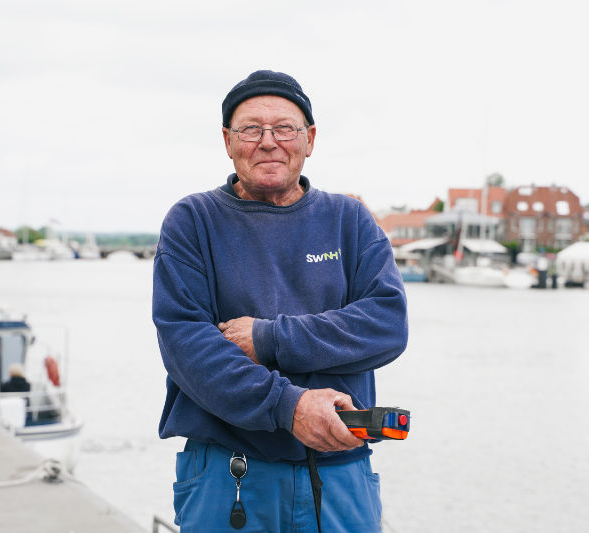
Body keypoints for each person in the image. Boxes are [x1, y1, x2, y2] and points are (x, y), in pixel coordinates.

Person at [152, 70, 408, 532]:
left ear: (309, 140)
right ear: (228, 141)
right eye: (251, 128)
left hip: (341, 475)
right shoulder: (193, 222)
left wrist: (270, 338)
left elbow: (386, 324)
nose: (268, 141)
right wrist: (288, 407)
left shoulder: (349, 220)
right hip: (228, 476)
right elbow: (187, 347)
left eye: (284, 128)